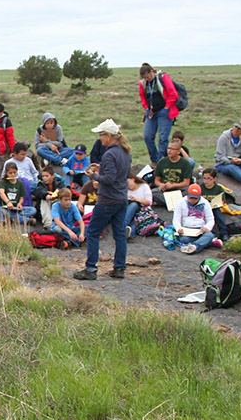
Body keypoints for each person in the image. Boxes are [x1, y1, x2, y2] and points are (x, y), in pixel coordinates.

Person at [74, 120, 131, 281]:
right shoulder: (125, 152)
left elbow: (109, 179)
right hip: (121, 198)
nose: (100, 139)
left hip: (107, 200)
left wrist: (94, 175)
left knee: (92, 232)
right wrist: (101, 167)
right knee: (119, 234)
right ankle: (119, 267)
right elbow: (120, 175)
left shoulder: (110, 154)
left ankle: (91, 268)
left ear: (109, 136)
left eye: (101, 135)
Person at [138, 63, 183, 163]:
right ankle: (154, 160)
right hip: (151, 112)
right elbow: (142, 96)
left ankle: (161, 160)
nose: (146, 79)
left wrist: (167, 107)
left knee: (163, 138)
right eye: (144, 78)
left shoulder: (163, 78)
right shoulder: (143, 83)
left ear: (151, 72)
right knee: (147, 136)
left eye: (147, 77)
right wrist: (146, 108)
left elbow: (173, 93)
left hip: (164, 111)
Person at [173, 183, 219, 255]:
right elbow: (176, 219)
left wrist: (207, 227)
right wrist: (178, 228)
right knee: (184, 239)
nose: (193, 200)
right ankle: (207, 242)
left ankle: (195, 246)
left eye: (195, 198)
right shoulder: (181, 202)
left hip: (200, 229)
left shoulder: (205, 203)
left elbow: (210, 219)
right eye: (191, 197)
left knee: (209, 235)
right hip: (186, 229)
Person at [153, 140, 194, 205]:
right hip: (165, 189)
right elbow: (156, 180)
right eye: (168, 148)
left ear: (178, 151)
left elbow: (186, 183)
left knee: (190, 190)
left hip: (179, 188)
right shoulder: (161, 162)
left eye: (172, 149)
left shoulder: (185, 163)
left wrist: (173, 185)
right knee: (152, 193)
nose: (169, 151)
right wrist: (161, 185)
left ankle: (169, 202)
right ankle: (175, 202)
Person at [198, 167, 234, 241]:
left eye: (209, 179)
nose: (206, 181)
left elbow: (222, 201)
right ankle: (212, 233)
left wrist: (217, 203)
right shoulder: (200, 188)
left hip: (214, 207)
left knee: (217, 213)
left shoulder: (218, 188)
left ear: (215, 179)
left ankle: (224, 233)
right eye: (204, 178)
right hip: (203, 208)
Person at [125, 165, 154, 238]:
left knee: (134, 205)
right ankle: (127, 232)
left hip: (142, 211)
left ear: (132, 179)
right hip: (128, 211)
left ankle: (124, 229)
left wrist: (137, 199)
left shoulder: (144, 186)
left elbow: (149, 202)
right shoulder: (125, 190)